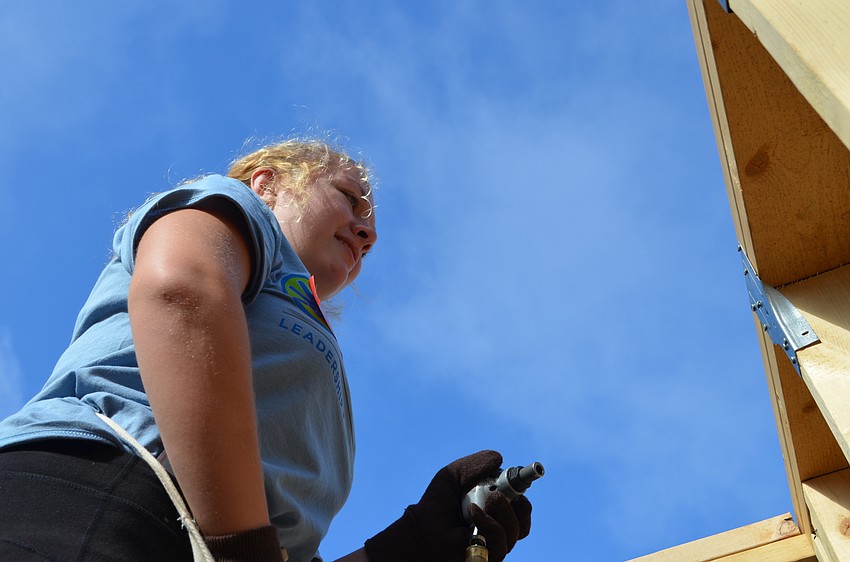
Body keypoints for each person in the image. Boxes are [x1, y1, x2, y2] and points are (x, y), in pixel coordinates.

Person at [0, 139, 532, 562]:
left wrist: (412, 545)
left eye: (369, 237)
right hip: (97, 492)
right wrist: (245, 547)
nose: (366, 230)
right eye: (349, 197)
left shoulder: (315, 354)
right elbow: (183, 290)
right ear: (269, 182)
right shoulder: (238, 209)